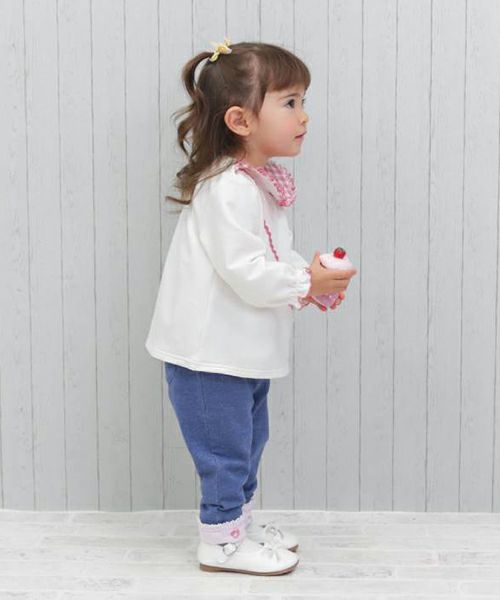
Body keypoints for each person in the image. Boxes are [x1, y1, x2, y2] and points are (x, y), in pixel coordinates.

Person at [145, 38, 357, 576]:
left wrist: (310, 282)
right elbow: (246, 271)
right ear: (240, 120)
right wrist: (303, 281)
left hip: (237, 349)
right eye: (290, 102)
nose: (304, 116)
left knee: (247, 440)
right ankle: (219, 542)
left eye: (303, 101)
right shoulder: (227, 188)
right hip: (209, 354)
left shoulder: (253, 183)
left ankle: (235, 525)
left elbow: (268, 257)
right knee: (225, 451)